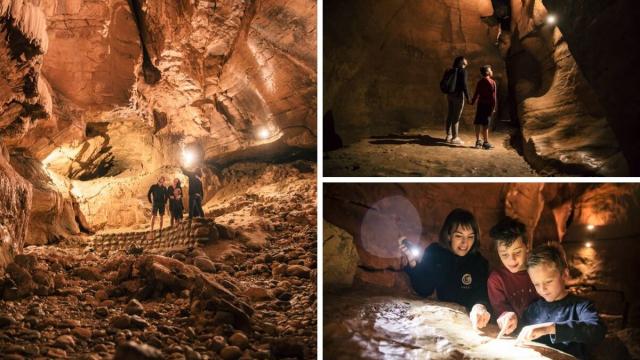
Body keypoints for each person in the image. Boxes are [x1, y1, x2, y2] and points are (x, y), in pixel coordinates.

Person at [400, 208, 491, 329]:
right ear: (449, 235)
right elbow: (424, 289)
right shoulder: (435, 253)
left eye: (470, 237)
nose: (465, 243)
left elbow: (482, 295)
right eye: (459, 236)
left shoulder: (479, 262)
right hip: (443, 321)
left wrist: (480, 307)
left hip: (470, 322)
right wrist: (413, 263)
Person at [519, 244, 606, 359]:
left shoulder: (581, 306)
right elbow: (520, 332)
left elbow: (597, 331)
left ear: (564, 274)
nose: (542, 289)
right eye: (536, 284)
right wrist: (512, 320)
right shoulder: (533, 309)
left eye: (548, 282)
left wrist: (550, 328)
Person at [487, 217, 540, 337]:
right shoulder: (496, 280)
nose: (512, 260)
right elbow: (501, 310)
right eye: (504, 254)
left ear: (527, 246)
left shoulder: (539, 270)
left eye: (517, 252)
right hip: (516, 336)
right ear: (498, 252)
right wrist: (506, 316)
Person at [444, 56, 471, 145]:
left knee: (450, 114)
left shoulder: (450, 70)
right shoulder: (463, 71)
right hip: (458, 96)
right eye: (465, 59)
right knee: (456, 117)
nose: (467, 60)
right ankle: (455, 138)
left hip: (450, 95)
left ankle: (449, 136)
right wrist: (468, 97)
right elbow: (464, 85)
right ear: (461, 62)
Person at [470, 65, 497, 150]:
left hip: (480, 104)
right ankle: (485, 142)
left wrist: (472, 102)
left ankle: (478, 141)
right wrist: (493, 107)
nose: (492, 71)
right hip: (488, 105)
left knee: (478, 122)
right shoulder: (492, 82)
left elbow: (476, 94)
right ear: (487, 72)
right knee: (486, 124)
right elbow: (494, 97)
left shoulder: (480, 82)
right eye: (490, 70)